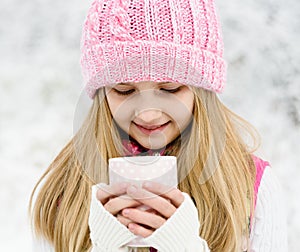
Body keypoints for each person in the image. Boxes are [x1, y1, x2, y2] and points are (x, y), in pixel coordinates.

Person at [29, 0, 288, 251]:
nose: (149, 114)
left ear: (203, 90)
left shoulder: (252, 189)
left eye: (170, 89)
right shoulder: (63, 195)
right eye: (125, 90)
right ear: (102, 93)